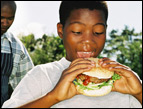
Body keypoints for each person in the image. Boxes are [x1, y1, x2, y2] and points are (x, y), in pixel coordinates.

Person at [2, 1, 142, 108]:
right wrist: (53, 97)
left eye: (98, 32)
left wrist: (139, 93)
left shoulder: (124, 79)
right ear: (61, 30)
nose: (88, 41)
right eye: (77, 32)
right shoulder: (41, 76)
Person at [1, 1, 34, 106]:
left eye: (10, 19)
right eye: (1, 17)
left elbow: (28, 85)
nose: (5, 23)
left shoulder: (16, 47)